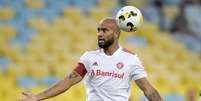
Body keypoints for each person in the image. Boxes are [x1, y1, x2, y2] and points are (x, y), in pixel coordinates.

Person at [18, 17, 163, 101]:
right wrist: (37, 97)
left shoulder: (131, 59)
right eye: (98, 30)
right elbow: (68, 81)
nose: (100, 33)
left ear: (117, 34)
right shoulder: (89, 57)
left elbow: (148, 90)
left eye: (105, 30)